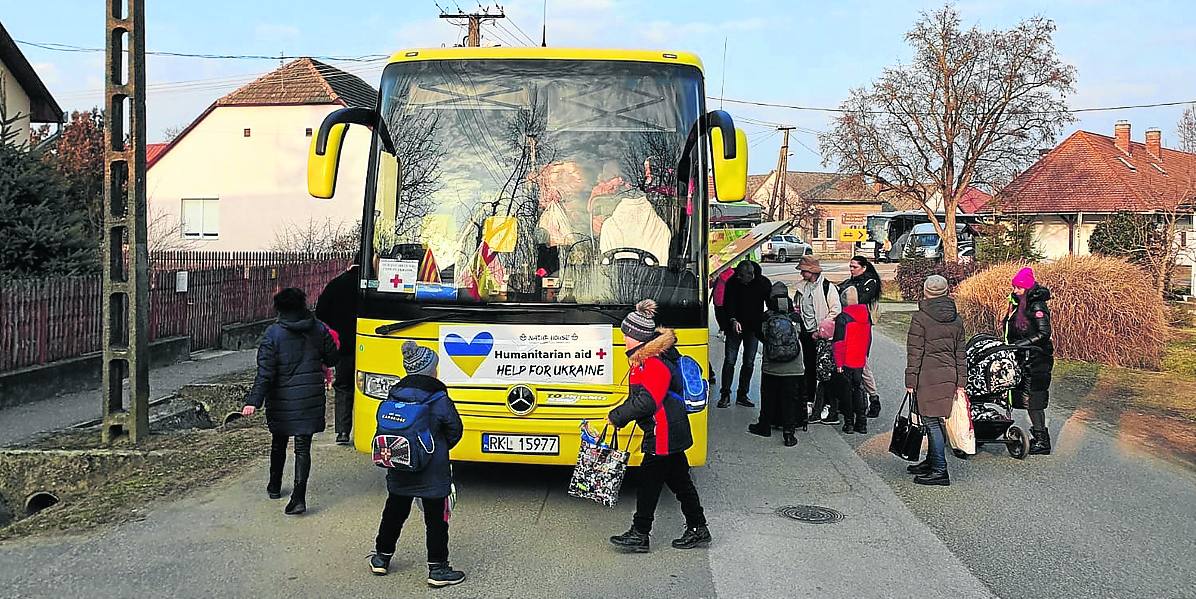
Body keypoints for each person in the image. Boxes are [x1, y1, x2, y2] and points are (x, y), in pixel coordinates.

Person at [608, 300, 711, 553]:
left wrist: (617, 416)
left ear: (638, 337)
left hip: (663, 432)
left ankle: (640, 533)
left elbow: (647, 401)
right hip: (668, 429)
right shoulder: (646, 359)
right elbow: (640, 398)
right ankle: (698, 527)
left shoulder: (653, 363)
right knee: (680, 483)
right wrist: (620, 412)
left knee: (649, 484)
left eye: (626, 335)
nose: (624, 340)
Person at [367, 341, 466, 587]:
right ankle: (438, 569)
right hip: (432, 471)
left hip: (398, 464)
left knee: (394, 512)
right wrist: (438, 449)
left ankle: (381, 558)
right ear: (429, 369)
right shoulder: (438, 397)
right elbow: (455, 429)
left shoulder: (394, 393)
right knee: (436, 519)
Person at [242, 287, 339, 514]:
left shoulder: (273, 334)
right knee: (302, 448)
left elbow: (265, 373)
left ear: (279, 308)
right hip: (309, 398)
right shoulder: (318, 329)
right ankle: (298, 496)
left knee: (279, 442)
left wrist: (253, 401)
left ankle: (274, 486)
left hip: (282, 398)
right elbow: (333, 357)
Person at [904, 275, 966, 486]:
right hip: (948, 376)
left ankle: (940, 469)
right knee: (936, 420)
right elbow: (961, 353)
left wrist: (910, 380)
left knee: (931, 422)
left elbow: (914, 352)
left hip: (927, 376)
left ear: (926, 292)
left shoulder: (920, 318)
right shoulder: (956, 319)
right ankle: (931, 463)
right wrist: (961, 380)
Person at [1002, 267, 1055, 456]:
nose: (1014, 290)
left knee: (1034, 400)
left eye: (1018, 287)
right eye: (1014, 287)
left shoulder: (1037, 305)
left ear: (1027, 287)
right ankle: (1039, 436)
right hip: (1024, 357)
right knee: (1028, 398)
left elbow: (1043, 333)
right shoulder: (1018, 303)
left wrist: (1020, 345)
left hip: (1036, 358)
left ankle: (1042, 440)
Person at [749, 282, 805, 446]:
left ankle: (764, 426)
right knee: (789, 400)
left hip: (771, 366)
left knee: (768, 397)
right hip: (794, 366)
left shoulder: (766, 317)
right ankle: (789, 433)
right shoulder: (795, 317)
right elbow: (801, 335)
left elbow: (760, 335)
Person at [316, 252, 361, 445]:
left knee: (343, 387)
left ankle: (343, 432)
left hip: (343, 348)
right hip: (374, 344)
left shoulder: (335, 285)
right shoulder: (374, 287)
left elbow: (320, 314)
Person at [793, 256, 841, 424]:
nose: (801, 273)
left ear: (811, 271)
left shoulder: (828, 287)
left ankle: (827, 404)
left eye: (803, 270)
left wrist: (821, 330)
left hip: (822, 336)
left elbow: (835, 310)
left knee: (824, 371)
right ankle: (810, 401)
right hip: (806, 333)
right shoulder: (803, 288)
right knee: (809, 368)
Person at [718, 261, 771, 408]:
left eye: (743, 277)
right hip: (734, 327)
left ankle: (742, 394)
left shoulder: (763, 283)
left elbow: (770, 302)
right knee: (730, 360)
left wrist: (766, 318)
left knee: (749, 362)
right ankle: (725, 394)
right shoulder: (732, 282)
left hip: (753, 328)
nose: (740, 279)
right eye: (738, 276)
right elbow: (727, 304)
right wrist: (733, 320)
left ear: (751, 275)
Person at [839, 255, 883, 418]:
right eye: (850, 267)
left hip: (861, 327)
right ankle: (853, 401)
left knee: (862, 366)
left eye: (854, 267)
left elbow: (858, 301)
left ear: (864, 267)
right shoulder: (850, 281)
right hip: (848, 325)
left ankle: (873, 400)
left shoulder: (870, 283)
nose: (851, 270)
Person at [832, 286, 872, 434]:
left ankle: (849, 423)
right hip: (859, 358)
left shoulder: (843, 317)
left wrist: (838, 363)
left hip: (847, 358)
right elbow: (868, 339)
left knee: (847, 392)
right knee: (859, 388)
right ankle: (862, 423)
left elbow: (838, 343)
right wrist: (864, 355)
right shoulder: (866, 315)